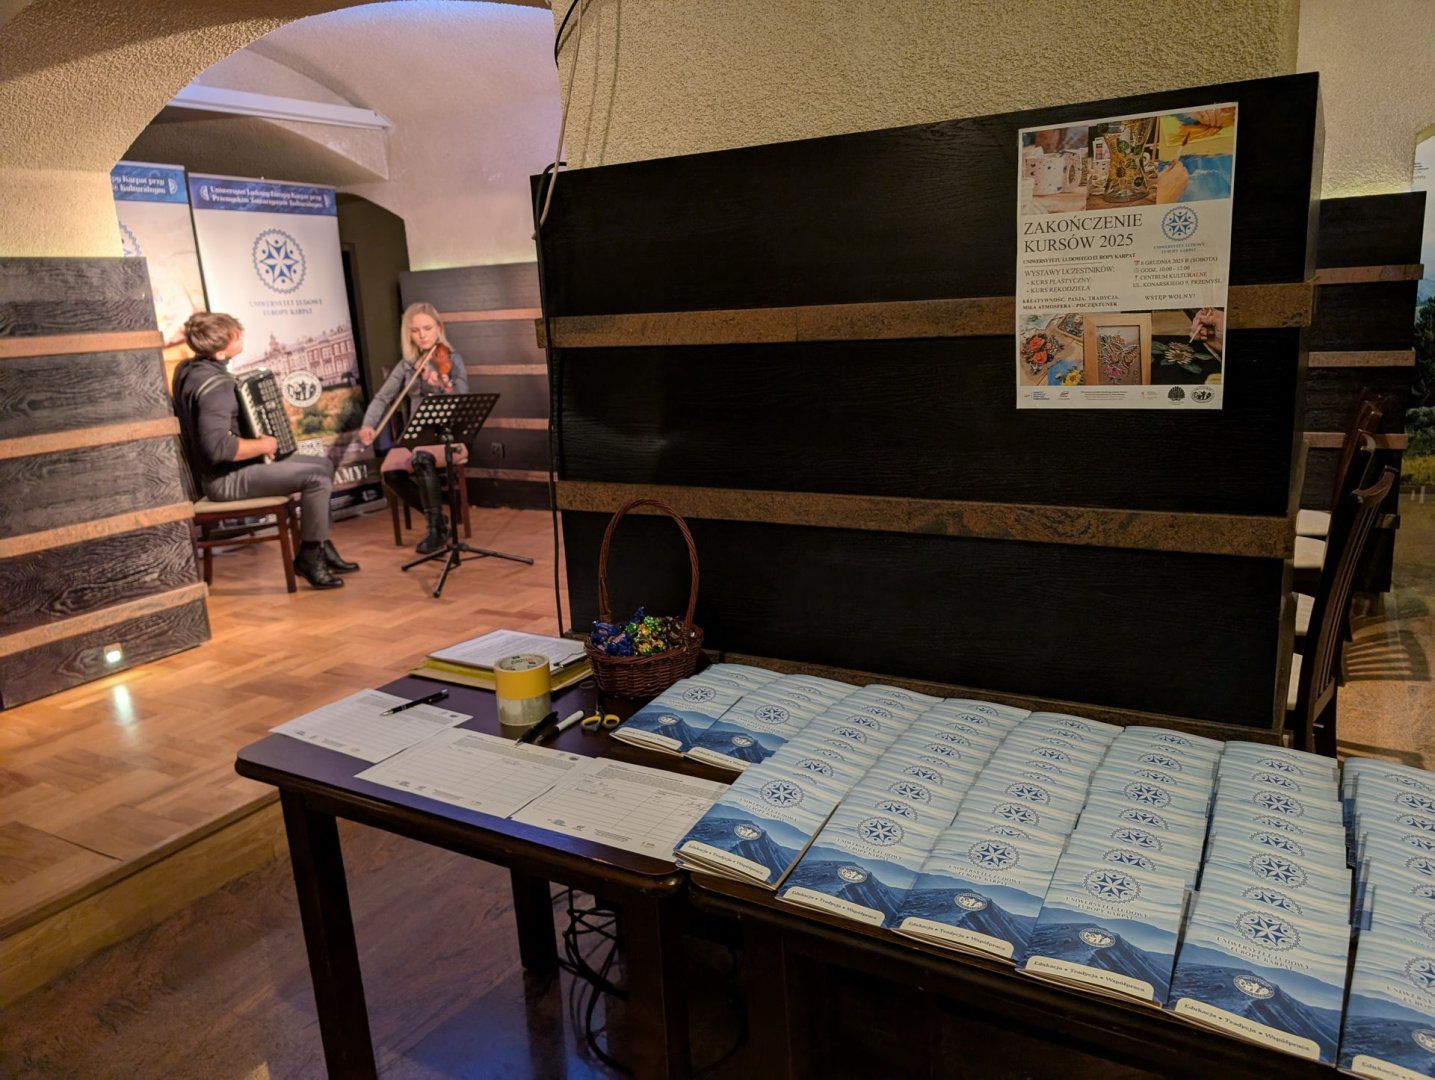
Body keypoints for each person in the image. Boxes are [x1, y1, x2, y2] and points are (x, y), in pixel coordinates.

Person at [173, 312, 358, 590]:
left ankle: (321, 543)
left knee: (323, 465)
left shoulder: (189, 369)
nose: (241, 335)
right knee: (317, 478)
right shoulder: (216, 388)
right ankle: (309, 557)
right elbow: (218, 447)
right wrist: (264, 445)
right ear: (221, 351)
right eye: (236, 334)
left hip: (232, 471)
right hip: (225, 480)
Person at [357, 302, 470, 554]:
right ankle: (439, 520)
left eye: (427, 328)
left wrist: (441, 384)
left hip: (448, 435)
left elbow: (463, 396)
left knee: (421, 457)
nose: (422, 335)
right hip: (417, 434)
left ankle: (434, 530)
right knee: (390, 472)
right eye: (415, 330)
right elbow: (382, 398)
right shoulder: (407, 365)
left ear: (438, 328)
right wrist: (368, 425)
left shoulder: (452, 360)